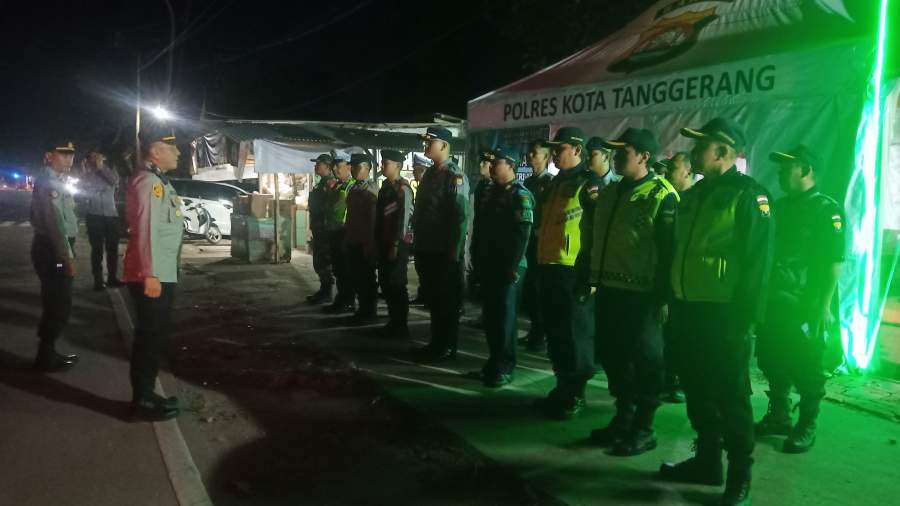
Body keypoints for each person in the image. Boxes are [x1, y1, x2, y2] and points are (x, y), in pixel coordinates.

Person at [658, 118, 773, 506]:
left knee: (731, 397)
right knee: (696, 390)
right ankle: (707, 462)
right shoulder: (692, 195)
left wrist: (745, 319)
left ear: (723, 152)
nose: (692, 153)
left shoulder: (750, 195)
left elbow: (758, 263)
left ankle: (740, 475)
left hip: (725, 316)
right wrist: (671, 300)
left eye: (700, 146)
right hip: (688, 310)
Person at [579, 128, 678, 456]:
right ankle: (624, 417)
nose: (617, 156)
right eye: (615, 151)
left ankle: (644, 427)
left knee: (646, 361)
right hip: (609, 290)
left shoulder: (662, 194)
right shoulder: (611, 191)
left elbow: (669, 250)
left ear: (644, 157)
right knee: (613, 356)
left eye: (625, 151)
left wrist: (663, 297)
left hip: (643, 296)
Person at [755, 145, 844, 454]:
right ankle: (779, 415)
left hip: (807, 304)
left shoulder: (826, 210)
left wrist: (824, 306)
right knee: (772, 358)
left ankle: (807, 424)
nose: (780, 173)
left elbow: (834, 262)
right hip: (776, 300)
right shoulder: (779, 207)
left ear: (806, 170)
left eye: (786, 168)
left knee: (808, 367)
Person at [532, 127, 603, 419]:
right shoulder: (554, 183)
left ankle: (575, 393)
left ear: (576, 149)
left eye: (559, 149)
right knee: (556, 334)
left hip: (573, 271)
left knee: (576, 335)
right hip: (549, 267)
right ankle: (562, 387)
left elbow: (598, 231)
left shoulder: (590, 183)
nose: (554, 154)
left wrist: (592, 274)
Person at [122, 129, 184, 421]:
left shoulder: (158, 181)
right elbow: (146, 230)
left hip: (161, 271)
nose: (178, 153)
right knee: (149, 338)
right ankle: (143, 401)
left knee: (154, 337)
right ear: (156, 152)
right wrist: (150, 274)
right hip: (153, 273)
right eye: (173, 148)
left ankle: (146, 394)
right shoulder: (149, 183)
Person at [473, 148, 534, 387]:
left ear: (510, 165)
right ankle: (493, 363)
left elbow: (523, 233)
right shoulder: (490, 192)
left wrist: (513, 266)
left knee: (505, 320)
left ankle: (505, 366)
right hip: (490, 263)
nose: (490, 167)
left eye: (495, 163)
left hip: (509, 266)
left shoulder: (520, 194)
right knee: (491, 318)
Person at [410, 126, 469, 362]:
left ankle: (446, 346)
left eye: (430, 142)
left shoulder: (454, 176)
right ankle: (436, 343)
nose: (425, 145)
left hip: (445, 251)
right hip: (427, 248)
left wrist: (454, 250)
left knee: (446, 302)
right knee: (434, 300)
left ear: (444, 145)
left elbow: (461, 217)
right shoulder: (430, 174)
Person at [30, 140, 80, 372]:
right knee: (59, 304)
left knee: (55, 303)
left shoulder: (56, 180)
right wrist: (66, 257)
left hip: (52, 248)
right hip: (53, 250)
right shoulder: (50, 183)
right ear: (49, 156)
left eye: (71, 155)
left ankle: (47, 353)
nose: (69, 159)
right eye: (63, 154)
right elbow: (55, 224)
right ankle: (45, 356)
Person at [653, 151, 693, 404]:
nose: (667, 172)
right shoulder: (671, 198)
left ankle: (678, 380)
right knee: (667, 333)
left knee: (683, 335)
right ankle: (668, 378)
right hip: (668, 276)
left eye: (673, 168)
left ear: (688, 171)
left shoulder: (695, 200)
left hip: (690, 282)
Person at [375, 149, 414, 339]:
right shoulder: (385, 188)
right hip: (384, 241)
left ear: (398, 166)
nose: (382, 166)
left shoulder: (403, 189)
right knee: (386, 282)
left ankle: (400, 326)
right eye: (383, 162)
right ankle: (393, 322)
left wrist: (396, 244)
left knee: (396, 284)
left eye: (386, 163)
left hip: (397, 244)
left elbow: (404, 220)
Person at [519, 139, 554, 352]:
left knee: (539, 291)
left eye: (535, 153)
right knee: (530, 290)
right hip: (528, 242)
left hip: (541, 244)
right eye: (530, 153)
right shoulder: (529, 182)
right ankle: (535, 331)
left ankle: (540, 335)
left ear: (546, 157)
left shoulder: (550, 183)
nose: (530, 156)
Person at [344, 153, 379, 321]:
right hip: (353, 239)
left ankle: (369, 311)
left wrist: (369, 243)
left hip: (365, 241)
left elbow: (372, 220)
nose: (352, 170)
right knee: (356, 276)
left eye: (356, 166)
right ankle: (363, 309)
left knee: (366, 278)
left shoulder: (371, 190)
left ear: (367, 168)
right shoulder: (354, 188)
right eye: (351, 167)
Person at [82, 150, 122, 291]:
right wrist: (88, 170)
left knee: (113, 249)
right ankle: (98, 280)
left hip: (111, 215)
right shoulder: (87, 172)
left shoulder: (110, 169)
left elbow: (115, 181)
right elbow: (84, 186)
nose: (94, 158)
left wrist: (101, 168)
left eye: (96, 156)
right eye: (92, 156)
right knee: (97, 249)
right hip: (94, 215)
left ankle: (112, 277)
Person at [323, 156, 356, 314]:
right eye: (334, 166)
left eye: (338, 166)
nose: (335, 169)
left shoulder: (352, 186)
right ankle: (341, 299)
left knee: (346, 270)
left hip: (345, 233)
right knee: (338, 269)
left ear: (349, 167)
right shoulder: (336, 185)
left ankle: (347, 301)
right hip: (334, 232)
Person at [306, 153, 336, 304]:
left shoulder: (330, 183)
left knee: (324, 262)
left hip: (325, 230)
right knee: (319, 261)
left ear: (328, 167)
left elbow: (330, 207)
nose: (316, 166)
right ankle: (324, 290)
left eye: (319, 164)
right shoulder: (321, 183)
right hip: (319, 228)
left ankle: (327, 292)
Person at [468, 149, 495, 301]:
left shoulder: (496, 187)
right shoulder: (481, 185)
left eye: (485, 162)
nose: (480, 165)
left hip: (490, 240)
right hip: (479, 236)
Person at [409, 155, 432, 305]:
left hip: (429, 235)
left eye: (417, 170)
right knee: (421, 266)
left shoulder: (430, 187)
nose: (414, 173)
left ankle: (429, 297)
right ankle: (424, 295)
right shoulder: (422, 187)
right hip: (420, 233)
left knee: (428, 268)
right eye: (414, 170)